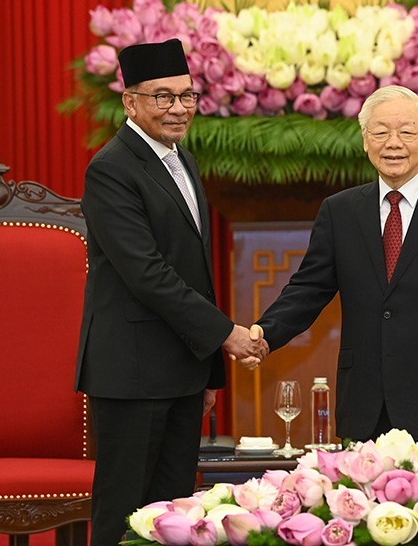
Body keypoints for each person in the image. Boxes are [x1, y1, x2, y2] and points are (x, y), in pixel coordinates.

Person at [74, 39, 267, 545]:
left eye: (187, 96)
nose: (178, 108)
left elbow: (194, 272)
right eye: (162, 97)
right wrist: (226, 335)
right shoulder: (111, 168)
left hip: (181, 370)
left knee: (175, 517)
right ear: (130, 102)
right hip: (133, 373)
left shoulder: (182, 158)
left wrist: (206, 368)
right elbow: (147, 273)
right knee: (124, 517)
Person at [253, 85, 418, 453]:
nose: (393, 143)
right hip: (363, 404)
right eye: (381, 131)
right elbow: (308, 289)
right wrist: (264, 333)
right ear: (365, 140)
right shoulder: (340, 212)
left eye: (406, 131)